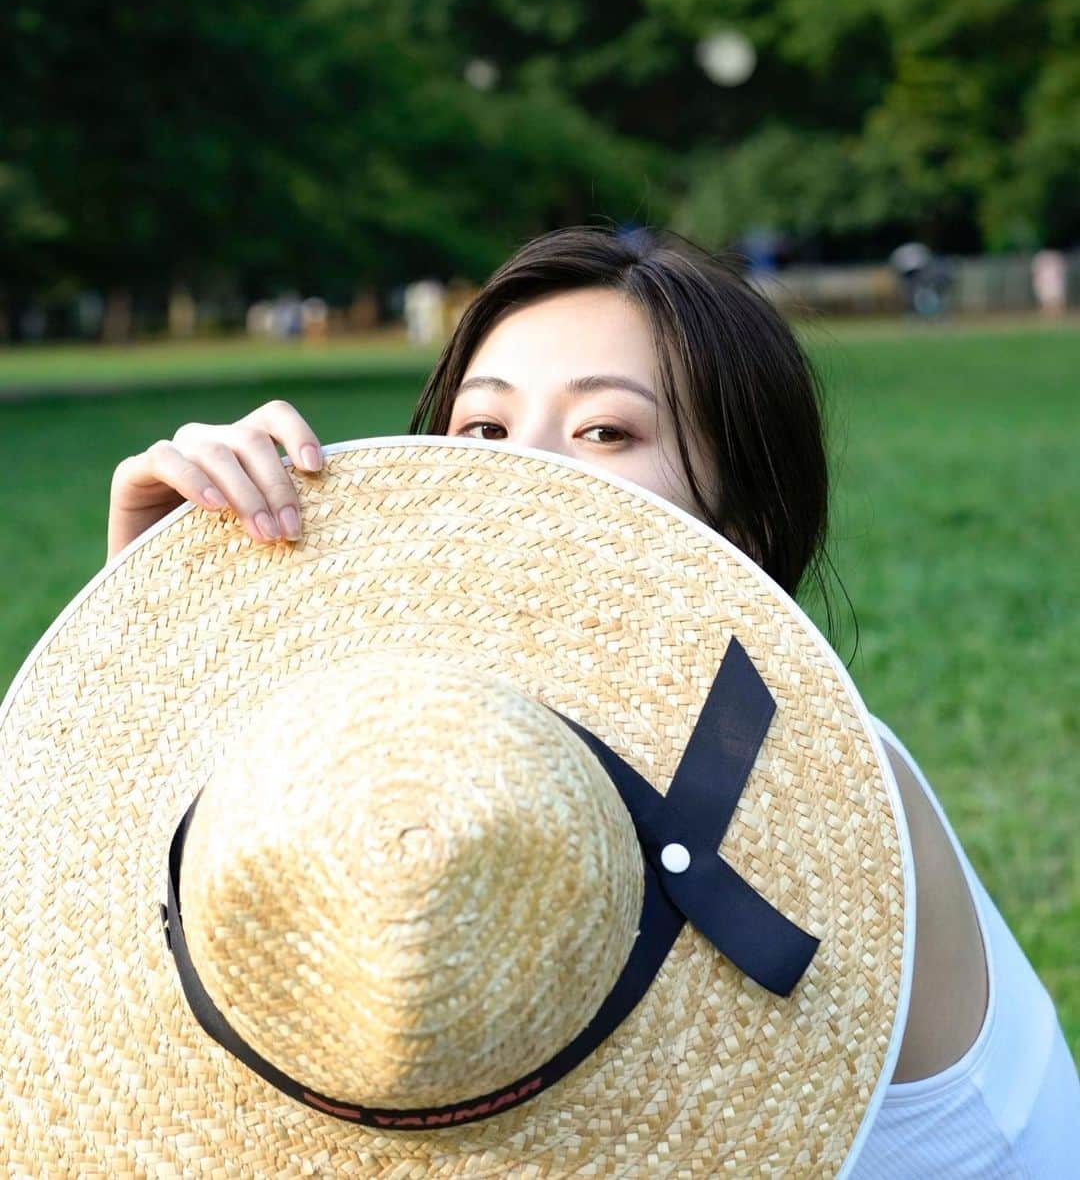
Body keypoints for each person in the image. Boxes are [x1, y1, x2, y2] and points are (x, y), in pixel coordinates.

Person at [106, 225, 1079, 1173]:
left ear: (742, 526)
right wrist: (165, 611)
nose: (513, 471)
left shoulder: (803, 782)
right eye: (483, 428)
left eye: (605, 430)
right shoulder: (462, 772)